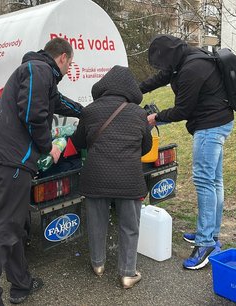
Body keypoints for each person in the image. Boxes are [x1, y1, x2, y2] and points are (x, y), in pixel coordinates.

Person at [0, 37, 83, 306]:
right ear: (63, 58)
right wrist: (48, 148)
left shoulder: (42, 75)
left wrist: (86, 112)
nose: (69, 70)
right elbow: (32, 114)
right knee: (5, 226)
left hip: (3, 158)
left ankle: (20, 284)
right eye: (70, 64)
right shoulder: (37, 69)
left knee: (14, 226)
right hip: (11, 160)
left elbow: (59, 103)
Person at [139, 34, 234, 270]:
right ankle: (210, 233)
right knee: (214, 181)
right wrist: (133, 89)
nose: (163, 68)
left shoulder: (192, 69)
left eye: (162, 62)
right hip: (219, 122)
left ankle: (205, 243)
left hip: (209, 127)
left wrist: (155, 118)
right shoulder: (186, 58)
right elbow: (160, 77)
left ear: (170, 56)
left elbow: (183, 110)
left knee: (204, 182)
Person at [70, 65, 152, 289]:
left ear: (104, 86)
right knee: (129, 226)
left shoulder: (90, 110)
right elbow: (146, 147)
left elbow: (78, 143)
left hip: (95, 178)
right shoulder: (139, 113)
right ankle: (127, 274)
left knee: (96, 223)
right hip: (129, 179)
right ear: (129, 90)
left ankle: (98, 265)